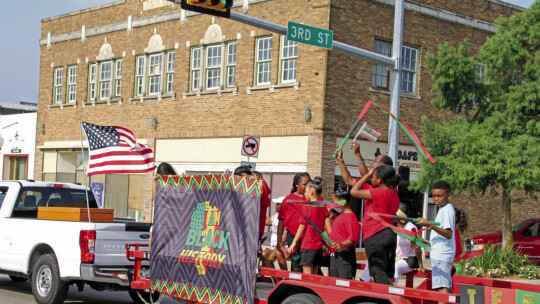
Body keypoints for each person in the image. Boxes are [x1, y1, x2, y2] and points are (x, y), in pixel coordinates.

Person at [350, 165, 400, 285]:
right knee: (387, 271)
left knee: (378, 272)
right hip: (389, 234)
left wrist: (366, 175)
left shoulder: (381, 192)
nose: (370, 179)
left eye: (372, 177)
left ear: (379, 180)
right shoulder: (393, 193)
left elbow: (354, 191)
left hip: (375, 235)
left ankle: (386, 298)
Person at [418, 181, 456, 304]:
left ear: (448, 196)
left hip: (441, 256)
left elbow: (448, 233)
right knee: (446, 286)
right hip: (441, 253)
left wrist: (429, 224)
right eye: (434, 196)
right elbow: (442, 235)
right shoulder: (443, 209)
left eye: (439, 196)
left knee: (442, 287)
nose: (436, 199)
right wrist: (427, 241)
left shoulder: (447, 209)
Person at [288, 178, 332, 275]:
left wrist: (293, 242)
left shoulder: (307, 207)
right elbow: (328, 226)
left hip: (308, 245)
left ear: (311, 192)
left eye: (306, 191)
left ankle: (307, 290)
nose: (304, 194)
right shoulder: (323, 207)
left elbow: (302, 226)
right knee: (315, 273)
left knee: (307, 274)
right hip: (319, 245)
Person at [276, 172, 311, 272]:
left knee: (309, 263)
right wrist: (279, 241)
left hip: (308, 237)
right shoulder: (288, 200)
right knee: (296, 263)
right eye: (304, 184)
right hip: (293, 237)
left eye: (309, 184)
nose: (307, 187)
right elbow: (281, 221)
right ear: (297, 184)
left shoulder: (311, 199)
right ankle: (297, 285)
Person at [327, 187, 361, 279]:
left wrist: (341, 244)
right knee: (334, 281)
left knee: (344, 281)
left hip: (345, 255)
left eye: (335, 202)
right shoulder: (340, 216)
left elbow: (352, 239)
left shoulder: (351, 218)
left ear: (344, 202)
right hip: (335, 254)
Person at [234, 166, 271, 241]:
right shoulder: (257, 183)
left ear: (244, 176)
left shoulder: (257, 184)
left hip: (253, 225)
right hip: (249, 224)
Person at [149, 162, 178, 253]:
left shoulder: (173, 183)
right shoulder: (175, 183)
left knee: (154, 228)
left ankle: (152, 249)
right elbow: (154, 198)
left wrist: (154, 181)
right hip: (173, 219)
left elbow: (154, 198)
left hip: (166, 219)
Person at [261, 202, 288, 270]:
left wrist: (274, 252)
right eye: (276, 204)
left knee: (278, 253)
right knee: (264, 254)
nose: (276, 206)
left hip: (284, 246)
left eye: (278, 205)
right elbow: (264, 220)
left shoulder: (287, 217)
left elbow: (284, 239)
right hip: (273, 247)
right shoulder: (275, 217)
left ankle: (285, 277)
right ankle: (275, 279)